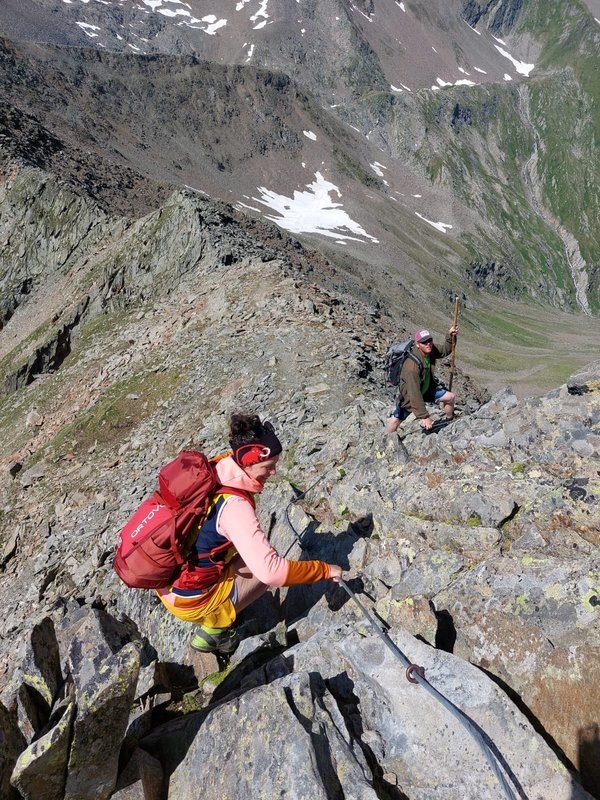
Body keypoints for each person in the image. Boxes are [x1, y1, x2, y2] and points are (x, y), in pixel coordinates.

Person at [157, 413, 343, 655]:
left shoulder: (216, 470)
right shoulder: (234, 505)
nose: (274, 472)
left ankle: (216, 604)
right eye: (268, 466)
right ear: (249, 461)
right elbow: (272, 572)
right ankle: (216, 629)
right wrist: (326, 570)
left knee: (251, 554)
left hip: (168, 582)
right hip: (188, 600)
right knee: (265, 565)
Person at [386, 326, 458, 434]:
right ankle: (386, 440)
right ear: (418, 344)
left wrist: (450, 335)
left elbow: (445, 350)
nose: (428, 343)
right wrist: (424, 416)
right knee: (396, 419)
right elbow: (414, 394)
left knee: (450, 397)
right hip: (410, 396)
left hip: (426, 389)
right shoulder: (411, 367)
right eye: (424, 342)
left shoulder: (430, 349)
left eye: (429, 340)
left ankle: (449, 420)